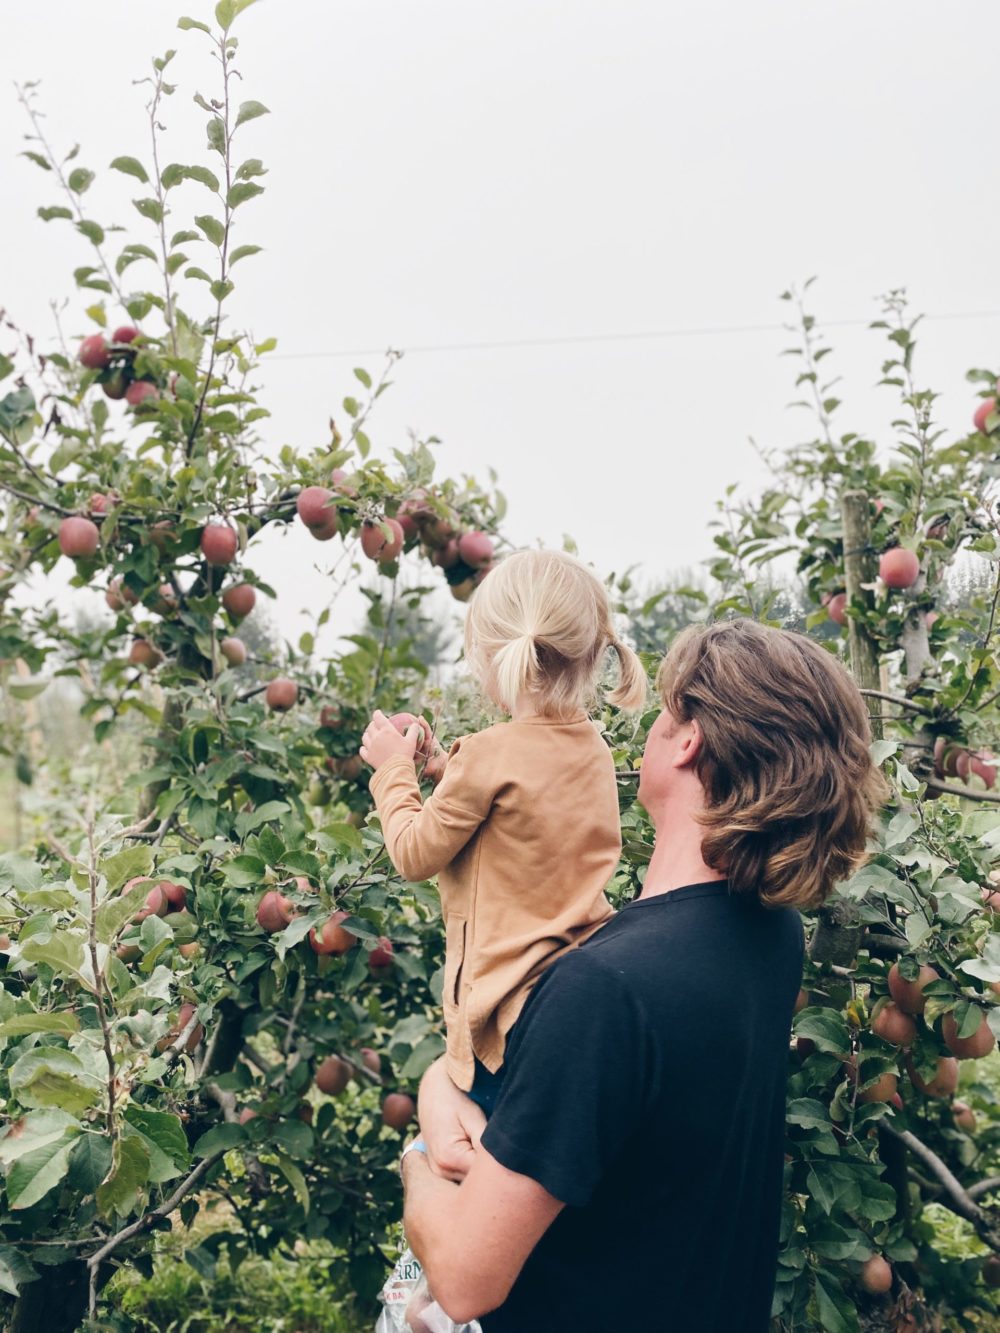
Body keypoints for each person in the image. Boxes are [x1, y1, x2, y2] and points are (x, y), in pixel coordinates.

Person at [397, 618, 888, 1331]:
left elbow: (467, 1276)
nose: (654, 724)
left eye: (664, 709)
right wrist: (442, 1084)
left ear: (687, 739)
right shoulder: (769, 935)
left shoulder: (607, 990)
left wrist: (418, 1153)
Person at [360, 548, 647, 1109]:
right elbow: (524, 812)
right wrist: (445, 768)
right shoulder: (592, 747)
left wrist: (393, 771)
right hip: (575, 994)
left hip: (508, 1016)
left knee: (490, 1167)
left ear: (493, 657)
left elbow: (414, 855)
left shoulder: (490, 756)